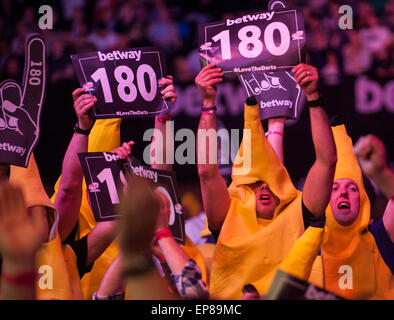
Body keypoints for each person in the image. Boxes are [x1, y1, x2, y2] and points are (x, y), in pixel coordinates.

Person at [195, 62, 337, 299]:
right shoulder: (228, 214)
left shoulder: (298, 211)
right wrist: (208, 104)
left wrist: (313, 97)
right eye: (253, 182)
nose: (262, 186)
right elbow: (207, 171)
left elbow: (327, 161)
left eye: (268, 181)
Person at [312, 126, 394, 299]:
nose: (343, 192)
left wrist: (381, 174)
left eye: (352, 188)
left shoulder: (380, 237)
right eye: (334, 188)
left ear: (364, 201)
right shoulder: (307, 249)